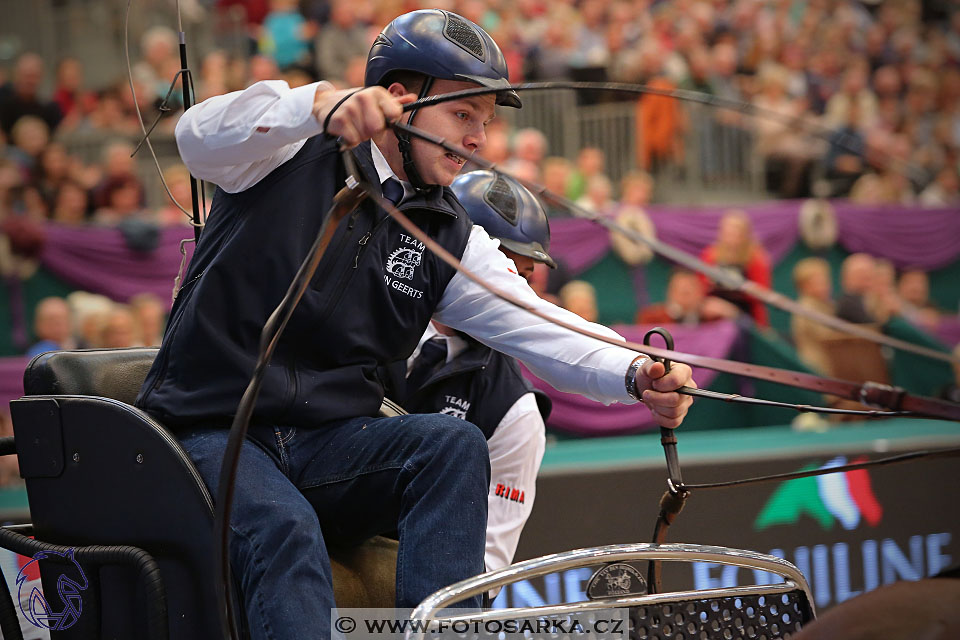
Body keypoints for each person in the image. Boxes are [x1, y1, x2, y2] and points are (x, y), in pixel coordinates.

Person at [136, 10, 695, 640]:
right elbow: (197, 135)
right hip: (213, 430)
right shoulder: (288, 148)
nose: (480, 138)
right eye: (464, 115)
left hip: (325, 446)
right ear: (401, 100)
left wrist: (634, 369)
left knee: (451, 446)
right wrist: (318, 102)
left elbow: (538, 323)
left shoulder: (449, 232)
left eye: (486, 122)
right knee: (285, 531)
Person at [381, 170, 555, 587]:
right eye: (505, 268)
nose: (515, 290)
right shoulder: (364, 316)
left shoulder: (514, 412)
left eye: (525, 277)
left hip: (406, 593)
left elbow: (483, 573)